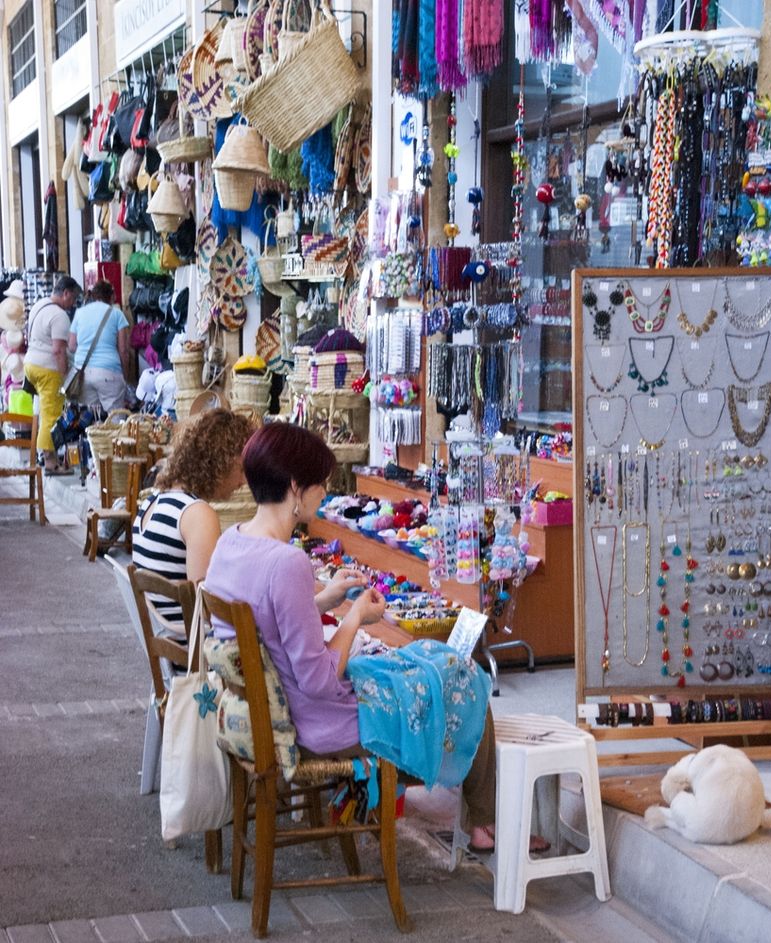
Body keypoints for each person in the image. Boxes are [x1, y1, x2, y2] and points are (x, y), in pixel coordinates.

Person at [203, 423, 536, 854]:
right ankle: (485, 822)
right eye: (320, 483)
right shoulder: (286, 563)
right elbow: (320, 680)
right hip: (318, 723)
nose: (324, 492)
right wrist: (355, 616)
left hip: (270, 711)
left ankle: (479, 815)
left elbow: (269, 621)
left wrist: (327, 598)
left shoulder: (232, 542)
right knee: (462, 677)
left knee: (433, 663)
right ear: (294, 487)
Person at [132, 408, 253, 628]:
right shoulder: (197, 514)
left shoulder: (155, 500)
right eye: (241, 470)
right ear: (220, 463)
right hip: (193, 650)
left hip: (169, 639)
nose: (243, 482)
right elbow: (207, 605)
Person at [22, 274, 81, 474]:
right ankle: (49, 462)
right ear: (65, 294)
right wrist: (64, 377)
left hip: (30, 365)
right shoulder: (59, 316)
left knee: (43, 412)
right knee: (51, 415)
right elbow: (58, 351)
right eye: (72, 299)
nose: (72, 304)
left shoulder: (39, 306)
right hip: (47, 369)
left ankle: (43, 455)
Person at [68, 280, 130, 411]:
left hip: (82, 373)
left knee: (91, 420)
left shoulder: (79, 313)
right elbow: (124, 350)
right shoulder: (117, 314)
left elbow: (72, 346)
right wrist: (125, 376)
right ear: (112, 296)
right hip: (109, 372)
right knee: (115, 420)